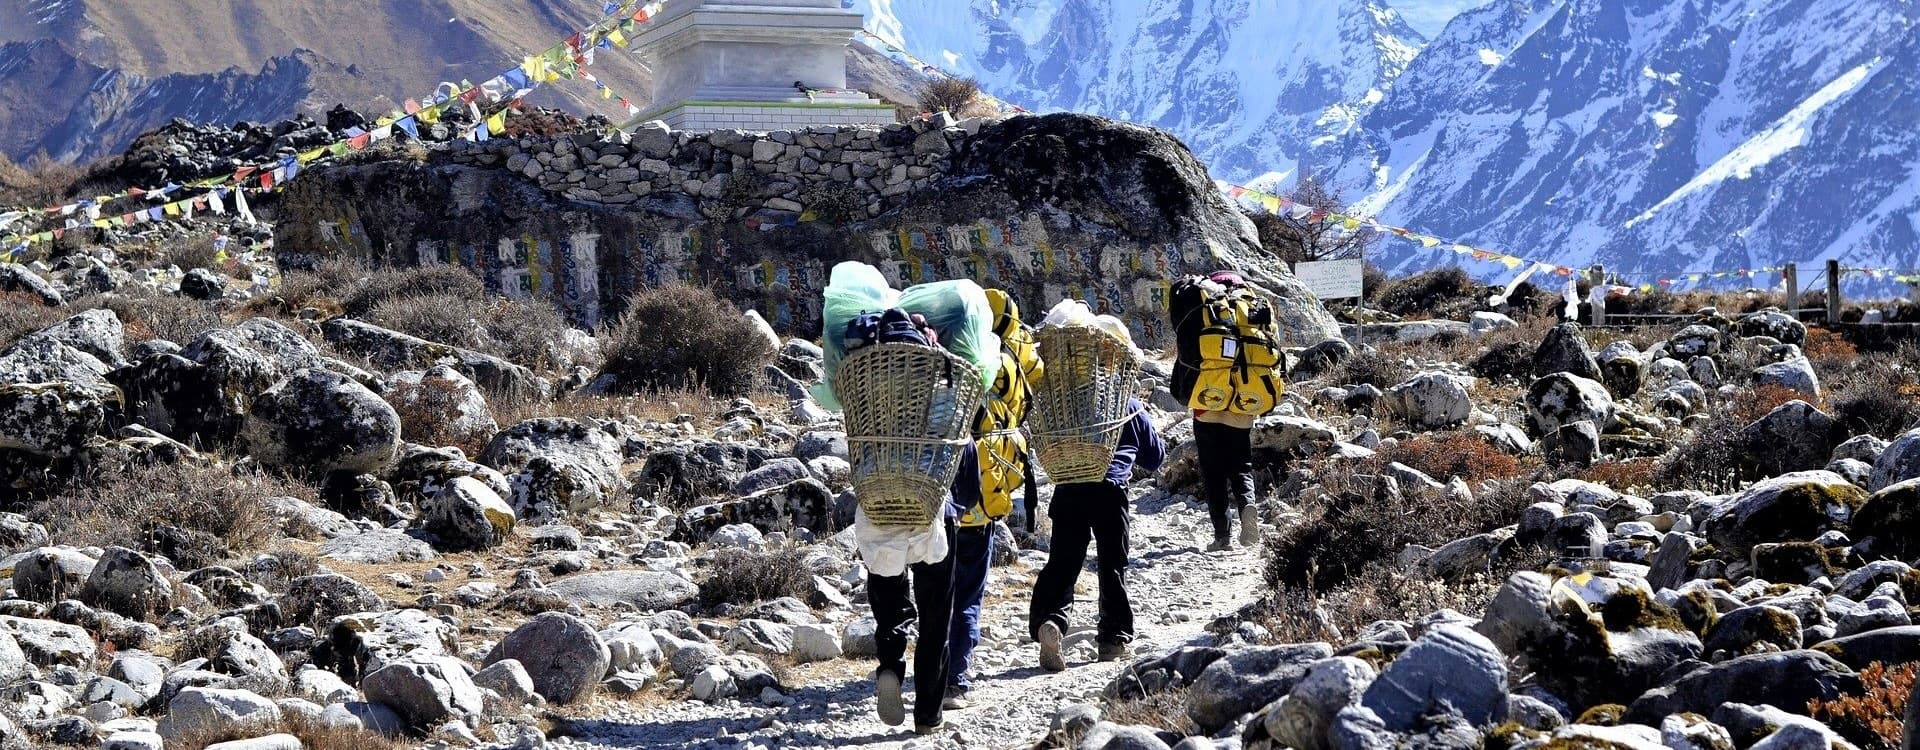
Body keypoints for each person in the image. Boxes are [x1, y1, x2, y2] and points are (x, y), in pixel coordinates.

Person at [853, 308, 960, 735]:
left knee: (889, 601)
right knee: (936, 617)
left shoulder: (859, 380)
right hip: (928, 508)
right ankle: (928, 714)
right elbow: (955, 428)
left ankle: (890, 669)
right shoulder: (933, 380)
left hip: (878, 507)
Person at [941, 289, 1040, 710]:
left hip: (937, 500)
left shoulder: (942, 357)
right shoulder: (1008, 364)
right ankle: (956, 679)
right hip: (983, 499)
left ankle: (929, 670)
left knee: (934, 593)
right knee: (968, 593)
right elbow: (1025, 406)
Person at [1029, 396, 1165, 671]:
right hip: (1110, 492)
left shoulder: (1066, 403)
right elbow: (1154, 458)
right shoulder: (1129, 406)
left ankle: (1051, 621)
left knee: (1062, 564)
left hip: (1068, 488)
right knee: (1112, 565)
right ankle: (1112, 642)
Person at [1169, 271, 1273, 552]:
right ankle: (1248, 506)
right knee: (1241, 465)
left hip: (1208, 402)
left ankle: (1222, 536)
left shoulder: (1210, 309)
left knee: (1212, 470)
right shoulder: (1250, 309)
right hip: (1243, 401)